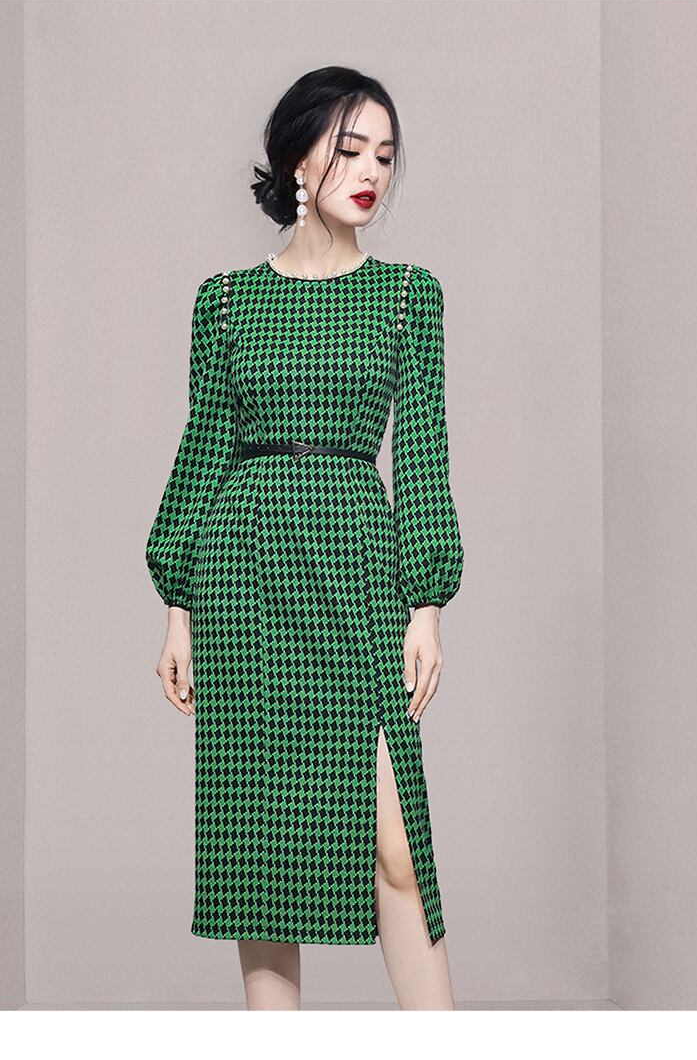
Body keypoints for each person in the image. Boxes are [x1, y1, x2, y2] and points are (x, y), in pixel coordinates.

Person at [145, 65, 464, 1011]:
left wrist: (427, 603)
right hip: (242, 573)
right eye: (349, 149)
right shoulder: (225, 301)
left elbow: (425, 455)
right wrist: (177, 607)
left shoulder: (407, 296)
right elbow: (204, 449)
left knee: (395, 847)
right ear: (296, 158)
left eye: (385, 157)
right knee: (262, 854)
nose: (371, 173)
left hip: (356, 566)